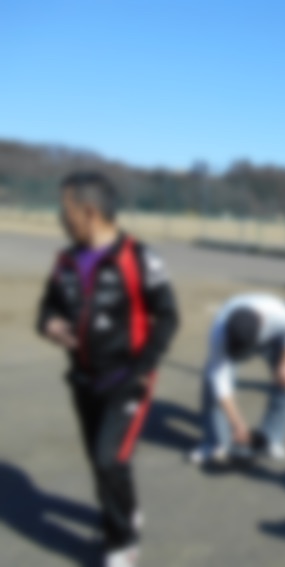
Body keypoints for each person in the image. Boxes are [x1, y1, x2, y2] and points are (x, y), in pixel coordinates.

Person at [36, 171, 180, 567]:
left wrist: (142, 370)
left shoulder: (139, 257)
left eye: (64, 209)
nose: (60, 217)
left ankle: (122, 542)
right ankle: (126, 510)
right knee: (103, 462)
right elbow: (48, 307)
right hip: (83, 380)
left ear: (88, 211)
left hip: (126, 379)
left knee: (108, 460)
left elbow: (168, 317)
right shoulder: (65, 261)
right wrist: (49, 324)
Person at [189, 293, 285, 465]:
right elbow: (220, 380)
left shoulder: (280, 317)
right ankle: (215, 442)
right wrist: (238, 424)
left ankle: (271, 440)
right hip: (238, 335)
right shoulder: (219, 332)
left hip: (277, 337)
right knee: (212, 387)